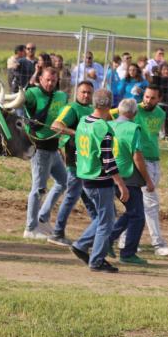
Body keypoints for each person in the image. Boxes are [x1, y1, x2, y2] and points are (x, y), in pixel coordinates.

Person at [69, 88, 129, 273]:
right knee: (107, 222)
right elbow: (108, 160)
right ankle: (96, 260)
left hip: (85, 177)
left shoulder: (83, 122)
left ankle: (81, 245)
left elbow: (77, 150)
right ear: (109, 104)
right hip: (100, 180)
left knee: (105, 217)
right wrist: (120, 184)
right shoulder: (103, 127)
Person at [124, 85, 168, 256]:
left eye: (152, 98)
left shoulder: (161, 113)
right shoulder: (134, 110)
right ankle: (158, 244)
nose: (148, 100)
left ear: (159, 99)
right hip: (140, 160)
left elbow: (153, 136)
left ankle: (125, 238)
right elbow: (113, 115)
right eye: (146, 97)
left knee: (140, 203)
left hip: (154, 160)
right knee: (151, 203)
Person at [46, 81, 97, 247]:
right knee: (73, 195)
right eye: (83, 92)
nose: (86, 95)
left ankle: (101, 229)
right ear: (77, 93)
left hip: (87, 159)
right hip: (74, 157)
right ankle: (57, 232)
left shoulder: (90, 110)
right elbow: (55, 125)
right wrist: (76, 133)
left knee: (88, 197)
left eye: (89, 93)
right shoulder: (72, 108)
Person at [22, 66, 68, 240]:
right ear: (40, 79)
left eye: (53, 80)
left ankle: (42, 217)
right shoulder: (33, 94)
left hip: (54, 149)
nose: (50, 83)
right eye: (47, 79)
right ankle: (30, 228)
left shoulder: (61, 96)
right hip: (39, 150)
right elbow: (23, 99)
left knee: (63, 182)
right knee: (38, 189)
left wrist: (61, 146)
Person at [109, 98, 155, 266]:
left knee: (132, 212)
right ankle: (127, 253)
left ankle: (109, 240)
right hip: (127, 176)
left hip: (110, 175)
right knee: (138, 216)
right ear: (135, 113)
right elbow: (137, 157)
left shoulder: (109, 125)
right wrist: (148, 180)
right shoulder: (133, 128)